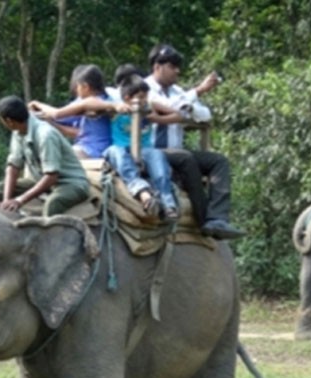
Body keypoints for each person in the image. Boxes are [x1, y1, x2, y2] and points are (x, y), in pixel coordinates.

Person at [144, 43, 244, 239]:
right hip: (153, 151)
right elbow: (169, 106)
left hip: (176, 151)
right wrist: (197, 92)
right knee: (186, 158)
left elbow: (204, 114)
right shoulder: (143, 88)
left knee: (218, 161)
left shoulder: (177, 91)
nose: (177, 71)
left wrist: (187, 106)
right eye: (172, 66)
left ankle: (217, 218)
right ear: (158, 66)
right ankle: (203, 219)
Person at [0, 95, 90, 217]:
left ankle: (50, 236)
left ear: (9, 121)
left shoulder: (45, 135)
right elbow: (13, 167)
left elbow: (52, 176)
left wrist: (20, 200)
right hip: (39, 179)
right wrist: (6, 200)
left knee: (53, 204)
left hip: (69, 183)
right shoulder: (18, 130)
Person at [103, 73, 180, 221]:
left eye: (146, 96)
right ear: (126, 98)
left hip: (145, 150)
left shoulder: (149, 107)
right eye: (140, 97)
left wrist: (157, 118)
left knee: (158, 159)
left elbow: (178, 114)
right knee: (115, 154)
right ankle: (142, 191)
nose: (144, 100)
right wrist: (116, 107)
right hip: (121, 148)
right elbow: (92, 106)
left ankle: (168, 203)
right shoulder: (116, 109)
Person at [29, 64, 112, 159]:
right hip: (89, 148)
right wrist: (46, 118)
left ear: (85, 87)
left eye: (77, 87)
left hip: (93, 150)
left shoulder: (90, 102)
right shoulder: (104, 98)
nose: (76, 91)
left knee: (51, 153)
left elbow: (57, 114)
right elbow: (63, 119)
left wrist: (37, 104)